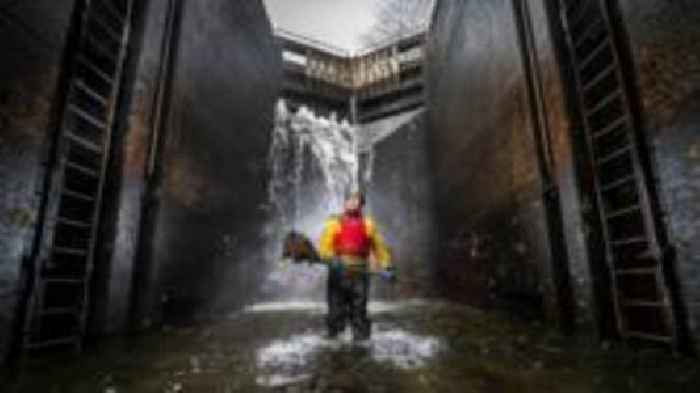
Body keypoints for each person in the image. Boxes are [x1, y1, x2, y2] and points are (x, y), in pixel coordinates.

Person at [318, 191, 394, 340]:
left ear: (361, 204)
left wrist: (387, 266)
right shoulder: (333, 223)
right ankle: (334, 339)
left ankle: (361, 341)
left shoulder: (368, 224)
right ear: (344, 203)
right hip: (338, 274)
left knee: (359, 310)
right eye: (349, 200)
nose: (352, 203)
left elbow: (379, 247)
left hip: (360, 274)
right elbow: (323, 247)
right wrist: (330, 259)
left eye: (356, 200)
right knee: (335, 311)